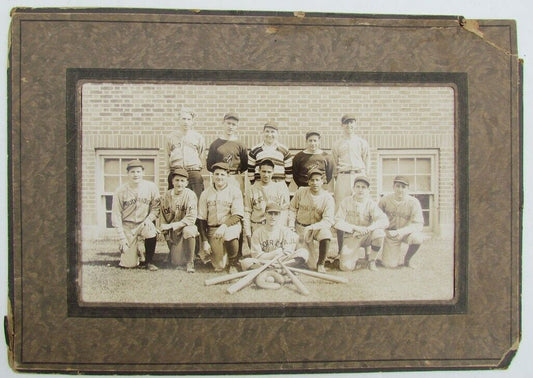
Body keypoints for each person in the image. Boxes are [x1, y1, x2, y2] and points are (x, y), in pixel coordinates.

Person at [111, 159, 161, 271]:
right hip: (127, 225)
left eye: (138, 171)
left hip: (144, 222)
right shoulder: (120, 191)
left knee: (150, 230)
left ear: (143, 173)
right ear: (127, 174)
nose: (135, 175)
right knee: (128, 264)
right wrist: (122, 238)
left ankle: (148, 261)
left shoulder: (151, 187)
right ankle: (135, 252)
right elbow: (116, 216)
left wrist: (149, 220)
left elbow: (156, 208)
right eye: (132, 172)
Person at [331, 114, 370, 252]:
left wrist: (365, 177)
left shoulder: (362, 142)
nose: (349, 126)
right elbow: (335, 164)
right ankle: (341, 249)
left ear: (355, 124)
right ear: (342, 126)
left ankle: (367, 251)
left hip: (358, 175)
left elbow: (366, 161)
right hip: (343, 176)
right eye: (346, 123)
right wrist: (339, 179)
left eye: (351, 123)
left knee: (363, 209)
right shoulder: (337, 144)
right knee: (341, 210)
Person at [334, 176, 389, 271]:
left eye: (363, 187)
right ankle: (355, 260)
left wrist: (369, 229)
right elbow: (337, 222)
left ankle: (372, 261)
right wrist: (354, 228)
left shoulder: (370, 203)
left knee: (379, 233)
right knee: (346, 267)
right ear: (353, 188)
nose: (360, 190)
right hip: (352, 235)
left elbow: (384, 220)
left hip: (366, 234)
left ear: (368, 190)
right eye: (358, 187)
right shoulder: (346, 201)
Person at [197, 162, 244, 273]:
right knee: (219, 266)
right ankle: (223, 258)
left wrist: (224, 226)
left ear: (228, 176)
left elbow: (237, 215)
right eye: (216, 174)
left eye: (222, 174)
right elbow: (201, 219)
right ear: (213, 176)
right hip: (213, 229)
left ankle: (233, 263)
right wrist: (204, 241)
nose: (219, 177)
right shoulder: (205, 193)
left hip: (230, 226)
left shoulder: (235, 191)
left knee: (229, 234)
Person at [289, 168, 335, 272]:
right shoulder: (301, 191)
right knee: (310, 265)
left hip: (316, 228)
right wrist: (291, 226)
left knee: (326, 234)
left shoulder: (327, 197)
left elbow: (328, 220)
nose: (315, 183)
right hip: (301, 228)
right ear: (308, 181)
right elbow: (292, 209)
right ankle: (312, 262)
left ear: (322, 181)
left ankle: (321, 264)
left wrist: (313, 227)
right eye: (312, 180)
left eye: (317, 180)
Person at [240, 202, 308, 270]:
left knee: (303, 253)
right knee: (246, 262)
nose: (273, 217)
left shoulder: (285, 231)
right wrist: (275, 253)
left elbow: (287, 253)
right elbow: (257, 256)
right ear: (265, 214)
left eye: (276, 214)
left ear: (279, 215)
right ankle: (281, 270)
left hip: (282, 262)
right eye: (270, 213)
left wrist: (277, 260)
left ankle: (273, 269)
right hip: (264, 262)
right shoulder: (257, 233)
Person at [378, 175, 425, 268]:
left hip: (405, 233)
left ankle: (407, 260)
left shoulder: (413, 202)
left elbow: (418, 224)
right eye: (398, 186)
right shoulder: (385, 200)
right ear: (393, 187)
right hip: (390, 234)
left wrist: (401, 232)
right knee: (389, 265)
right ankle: (373, 258)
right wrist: (384, 231)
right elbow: (376, 218)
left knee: (417, 238)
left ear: (408, 189)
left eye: (403, 187)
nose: (400, 189)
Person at [244, 159, 290, 248]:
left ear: (273, 172)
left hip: (274, 228)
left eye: (269, 172)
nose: (266, 175)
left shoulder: (279, 188)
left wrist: (281, 230)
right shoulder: (251, 189)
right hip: (257, 226)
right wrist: (248, 234)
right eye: (263, 171)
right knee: (258, 258)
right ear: (259, 171)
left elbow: (284, 211)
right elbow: (247, 213)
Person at [159, 168, 199, 273]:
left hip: (185, 228)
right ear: (172, 182)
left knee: (190, 229)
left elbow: (191, 218)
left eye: (182, 181)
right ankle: (173, 253)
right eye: (176, 180)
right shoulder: (166, 196)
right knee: (176, 262)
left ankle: (190, 262)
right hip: (173, 232)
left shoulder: (190, 195)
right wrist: (167, 235)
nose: (179, 183)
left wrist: (171, 226)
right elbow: (163, 219)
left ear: (186, 183)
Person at [165, 107, 206, 199]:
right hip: (176, 171)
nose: (186, 122)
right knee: (173, 200)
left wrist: (197, 170)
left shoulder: (198, 137)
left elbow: (201, 156)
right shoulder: (171, 137)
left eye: (188, 119)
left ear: (192, 122)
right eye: (183, 119)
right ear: (179, 120)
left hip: (193, 172)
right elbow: (167, 155)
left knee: (196, 198)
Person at [206, 112, 248, 193]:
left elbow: (244, 165)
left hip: (235, 178)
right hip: (220, 178)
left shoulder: (240, 145)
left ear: (237, 126)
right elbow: (209, 166)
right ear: (223, 123)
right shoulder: (215, 145)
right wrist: (220, 174)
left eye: (233, 124)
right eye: (228, 123)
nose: (230, 127)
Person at [248, 121, 293, 186]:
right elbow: (250, 171)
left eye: (272, 132)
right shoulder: (254, 150)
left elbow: (289, 172)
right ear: (263, 132)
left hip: (279, 184)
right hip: (260, 185)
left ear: (277, 133)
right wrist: (255, 185)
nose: (269, 135)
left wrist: (285, 186)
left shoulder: (284, 150)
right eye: (267, 131)